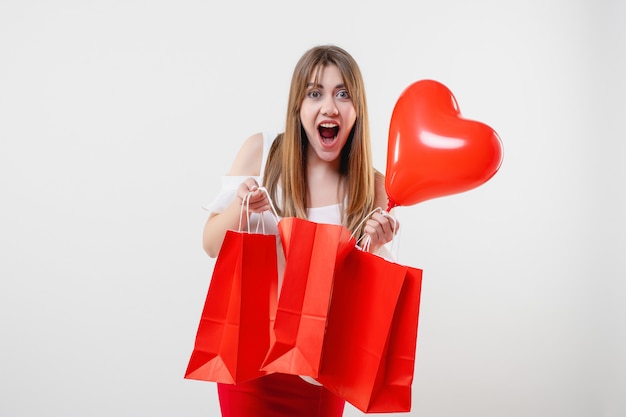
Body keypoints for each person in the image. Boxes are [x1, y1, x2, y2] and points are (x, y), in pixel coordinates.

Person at [201, 44, 398, 417]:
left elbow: (365, 294)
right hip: (249, 365)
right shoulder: (262, 154)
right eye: (315, 93)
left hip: (321, 373)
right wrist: (239, 211)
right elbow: (210, 244)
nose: (329, 106)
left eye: (343, 94)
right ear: (298, 108)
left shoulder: (370, 186)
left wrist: (380, 245)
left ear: (357, 110)